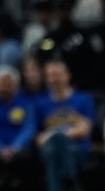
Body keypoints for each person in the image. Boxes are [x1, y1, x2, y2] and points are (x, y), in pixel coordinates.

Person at [35, 60, 95, 191]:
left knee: (54, 149)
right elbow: (38, 138)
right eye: (50, 76)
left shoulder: (84, 99)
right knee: (51, 150)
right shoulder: (41, 103)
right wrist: (58, 135)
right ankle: (71, 181)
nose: (54, 79)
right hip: (48, 148)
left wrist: (57, 134)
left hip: (76, 147)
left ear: (67, 75)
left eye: (57, 74)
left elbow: (85, 130)